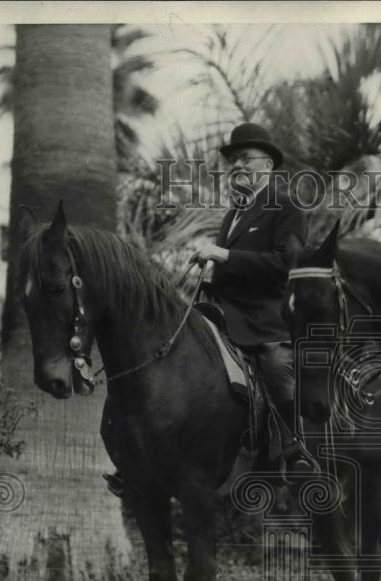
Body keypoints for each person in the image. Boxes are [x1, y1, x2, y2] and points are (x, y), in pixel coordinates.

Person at [103, 122, 317, 498]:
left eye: (244, 159)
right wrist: (210, 275)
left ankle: (290, 450)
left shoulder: (286, 206)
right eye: (233, 161)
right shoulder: (236, 210)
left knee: (276, 366)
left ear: (267, 165)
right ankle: (138, 459)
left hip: (263, 316)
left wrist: (224, 254)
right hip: (222, 309)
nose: (236, 167)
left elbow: (287, 264)